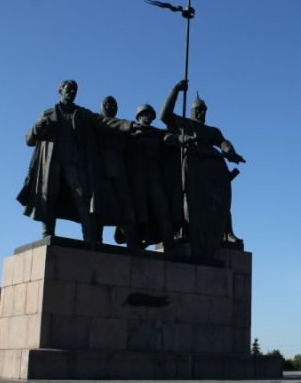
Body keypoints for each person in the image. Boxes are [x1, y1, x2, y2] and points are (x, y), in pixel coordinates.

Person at [18, 80, 131, 242]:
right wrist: (37, 127)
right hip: (51, 166)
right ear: (60, 91)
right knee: (48, 197)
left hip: (75, 165)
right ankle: (47, 235)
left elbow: (104, 121)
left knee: (83, 198)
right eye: (68, 89)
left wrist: (129, 125)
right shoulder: (48, 114)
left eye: (74, 89)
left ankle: (89, 237)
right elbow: (28, 140)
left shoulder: (82, 114)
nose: (72, 92)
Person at [160, 79, 245, 245]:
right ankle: (185, 229)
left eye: (204, 110)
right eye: (198, 110)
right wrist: (176, 90)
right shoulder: (184, 123)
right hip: (192, 168)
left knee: (222, 198)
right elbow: (164, 115)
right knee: (188, 198)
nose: (201, 113)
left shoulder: (212, 130)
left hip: (212, 172)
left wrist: (229, 151)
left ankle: (227, 232)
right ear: (192, 111)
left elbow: (223, 142)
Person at [126, 104, 180, 253]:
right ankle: (134, 244)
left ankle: (169, 246)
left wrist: (179, 137)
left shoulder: (158, 134)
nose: (149, 116)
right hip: (136, 180)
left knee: (163, 212)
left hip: (155, 179)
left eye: (150, 114)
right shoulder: (130, 132)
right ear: (139, 116)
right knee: (138, 214)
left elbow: (172, 136)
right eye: (146, 114)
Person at [92, 96, 139, 248]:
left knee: (127, 209)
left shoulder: (123, 130)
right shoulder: (98, 121)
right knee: (98, 210)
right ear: (101, 107)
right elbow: (112, 124)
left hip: (120, 172)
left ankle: (132, 244)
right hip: (100, 172)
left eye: (114, 105)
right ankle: (96, 242)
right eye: (107, 104)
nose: (111, 107)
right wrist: (131, 125)